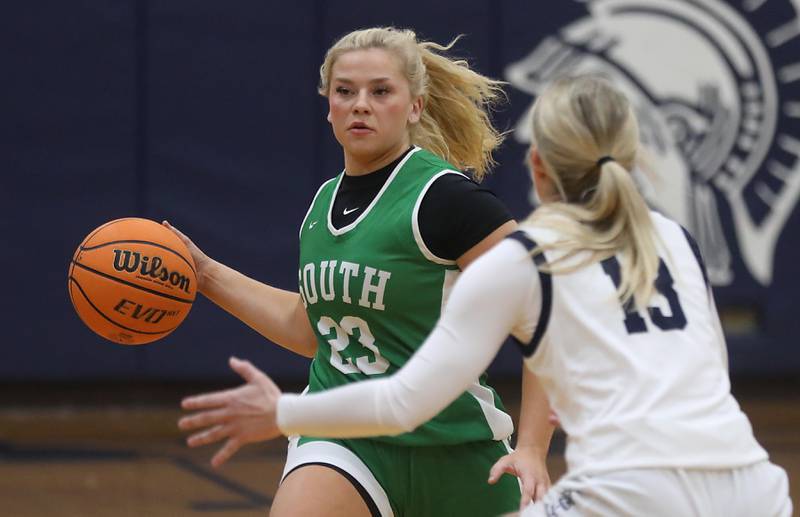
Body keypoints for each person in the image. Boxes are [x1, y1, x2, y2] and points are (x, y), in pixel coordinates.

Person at [179, 74, 793, 516]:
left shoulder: (521, 258)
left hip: (628, 491)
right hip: (755, 485)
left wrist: (282, 413)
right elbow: (712, 369)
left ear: (538, 170)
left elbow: (402, 402)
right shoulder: (675, 239)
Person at [170, 26, 554, 517]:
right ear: (328, 105)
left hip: (456, 443)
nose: (360, 105)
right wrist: (204, 274)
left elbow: (545, 310)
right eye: (345, 92)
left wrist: (534, 447)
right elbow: (315, 330)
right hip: (343, 437)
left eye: (380, 91)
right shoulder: (321, 204)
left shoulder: (446, 200)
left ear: (414, 105)